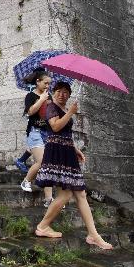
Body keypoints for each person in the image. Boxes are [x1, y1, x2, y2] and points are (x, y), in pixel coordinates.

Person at [34, 81, 113, 250]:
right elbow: (55, 127)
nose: (63, 94)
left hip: (67, 152)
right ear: (54, 92)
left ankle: (93, 234)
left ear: (69, 95)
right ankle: (43, 226)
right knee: (67, 194)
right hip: (57, 154)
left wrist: (75, 149)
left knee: (80, 194)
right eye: (59, 91)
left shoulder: (62, 110)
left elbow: (65, 133)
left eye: (66, 92)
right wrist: (70, 112)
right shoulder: (50, 107)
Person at [19, 71, 54, 207]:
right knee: (43, 162)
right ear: (38, 82)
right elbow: (30, 112)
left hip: (47, 132)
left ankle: (49, 199)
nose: (47, 86)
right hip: (34, 132)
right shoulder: (30, 96)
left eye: (49, 84)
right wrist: (41, 100)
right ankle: (26, 180)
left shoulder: (49, 96)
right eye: (45, 83)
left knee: (48, 165)